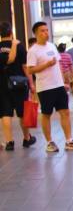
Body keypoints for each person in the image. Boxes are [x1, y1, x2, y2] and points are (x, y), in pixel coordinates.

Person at [27, 22, 73, 152]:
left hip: (58, 85)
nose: (46, 33)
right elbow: (30, 70)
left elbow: (57, 65)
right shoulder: (33, 50)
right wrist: (46, 65)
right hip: (45, 87)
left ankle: (69, 141)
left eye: (47, 30)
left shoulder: (52, 46)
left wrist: (64, 81)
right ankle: (49, 142)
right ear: (36, 33)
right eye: (42, 31)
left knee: (65, 112)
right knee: (46, 114)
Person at [0, 22, 37, 150]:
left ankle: (9, 142)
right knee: (22, 112)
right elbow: (25, 67)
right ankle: (27, 138)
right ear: (11, 32)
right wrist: (31, 84)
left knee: (5, 113)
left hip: (2, 85)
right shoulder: (19, 46)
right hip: (19, 84)